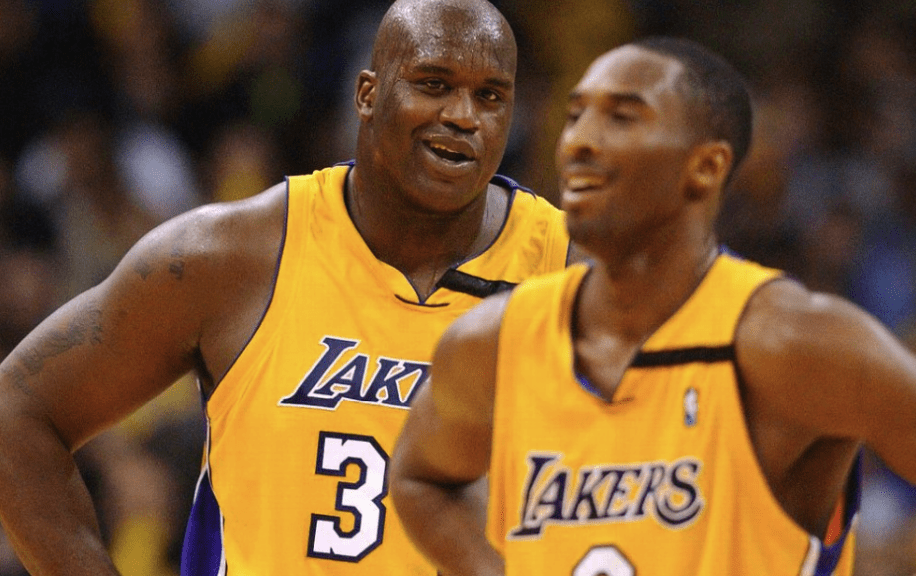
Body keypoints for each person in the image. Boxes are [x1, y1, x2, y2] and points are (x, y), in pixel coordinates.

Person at [389, 36, 916, 576]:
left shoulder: (790, 343)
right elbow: (418, 478)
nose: (578, 140)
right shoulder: (495, 341)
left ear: (705, 168)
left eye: (623, 117)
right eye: (577, 114)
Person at [0, 0, 578, 574]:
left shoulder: (576, 272)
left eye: (491, 96)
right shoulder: (232, 257)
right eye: (433, 84)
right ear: (368, 95)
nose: (463, 115)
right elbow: (15, 410)